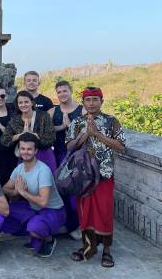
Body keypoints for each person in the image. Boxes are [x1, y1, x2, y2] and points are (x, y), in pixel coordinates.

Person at [67, 87, 125, 268]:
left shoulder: (111, 121)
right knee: (85, 211)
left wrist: (97, 134)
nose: (91, 103)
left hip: (104, 174)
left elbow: (120, 146)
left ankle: (106, 250)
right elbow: (69, 147)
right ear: (83, 103)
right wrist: (85, 135)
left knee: (104, 212)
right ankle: (87, 246)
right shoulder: (76, 122)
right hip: (83, 175)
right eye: (88, 100)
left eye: (94, 99)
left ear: (102, 101)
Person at [3, 133, 66, 258]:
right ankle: (34, 234)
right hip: (33, 209)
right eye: (23, 149)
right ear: (19, 150)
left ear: (35, 150)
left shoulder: (43, 171)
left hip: (53, 210)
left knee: (34, 228)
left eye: (29, 149)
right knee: (2, 210)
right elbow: (4, 188)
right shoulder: (19, 168)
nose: (25, 152)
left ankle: (48, 239)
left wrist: (23, 192)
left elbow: (43, 202)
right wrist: (15, 192)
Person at [48, 80, 83, 239]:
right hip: (58, 154)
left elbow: (85, 133)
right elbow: (48, 131)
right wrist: (62, 127)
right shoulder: (53, 111)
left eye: (64, 91)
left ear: (71, 91)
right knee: (60, 190)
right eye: (59, 92)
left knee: (75, 192)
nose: (62, 94)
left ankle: (77, 225)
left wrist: (70, 127)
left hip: (76, 155)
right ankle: (66, 223)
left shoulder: (81, 111)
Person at [1, 90, 57, 173]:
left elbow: (52, 138)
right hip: (25, 157)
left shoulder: (43, 116)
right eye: (20, 102)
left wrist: (35, 136)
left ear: (32, 103)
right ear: (17, 105)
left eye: (26, 102)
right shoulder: (15, 120)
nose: (23, 105)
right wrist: (20, 135)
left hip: (44, 156)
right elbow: (4, 140)